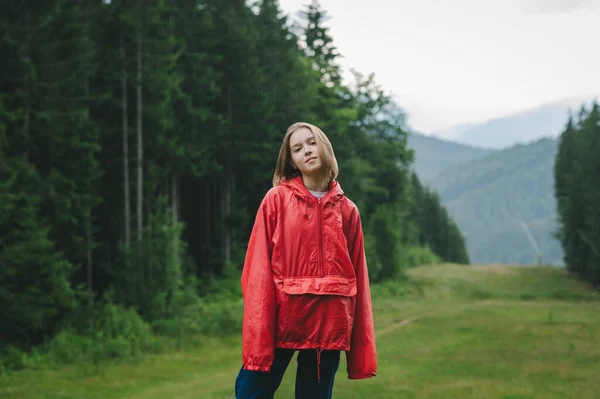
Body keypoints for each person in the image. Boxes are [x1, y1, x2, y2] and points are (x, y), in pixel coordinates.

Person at [234, 122, 377, 399]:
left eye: (311, 143)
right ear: (292, 162)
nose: (307, 151)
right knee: (251, 394)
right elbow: (258, 269)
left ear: (324, 146)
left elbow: (358, 277)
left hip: (329, 324)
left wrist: (359, 343)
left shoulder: (348, 211)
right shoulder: (275, 201)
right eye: (297, 149)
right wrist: (260, 323)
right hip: (283, 319)